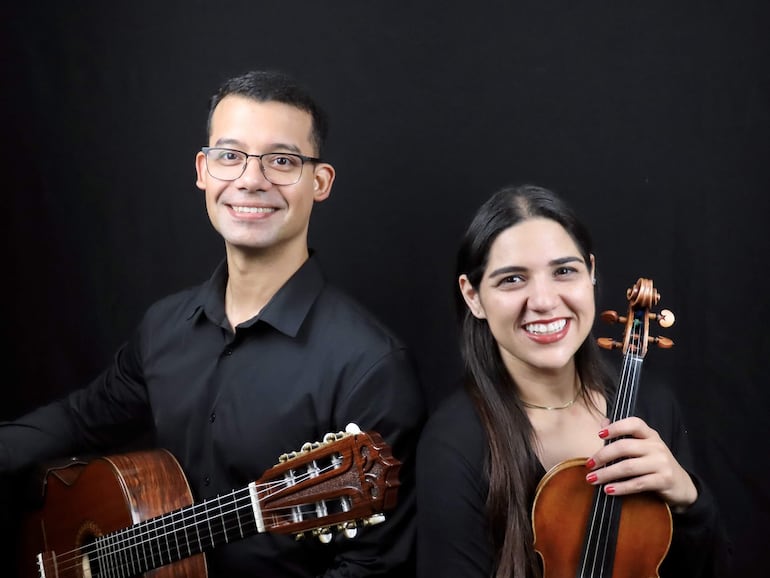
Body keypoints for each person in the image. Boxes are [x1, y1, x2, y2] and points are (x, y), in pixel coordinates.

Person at [0, 70, 426, 577]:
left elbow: (373, 566)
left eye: (282, 161)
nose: (250, 179)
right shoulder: (164, 326)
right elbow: (77, 420)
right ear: (203, 170)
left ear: (320, 182)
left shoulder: (369, 365)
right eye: (230, 156)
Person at [416, 184, 731, 577]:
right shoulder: (453, 446)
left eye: (564, 271)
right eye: (513, 279)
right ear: (473, 296)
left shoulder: (650, 404)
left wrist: (689, 501)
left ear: (592, 274)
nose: (545, 301)